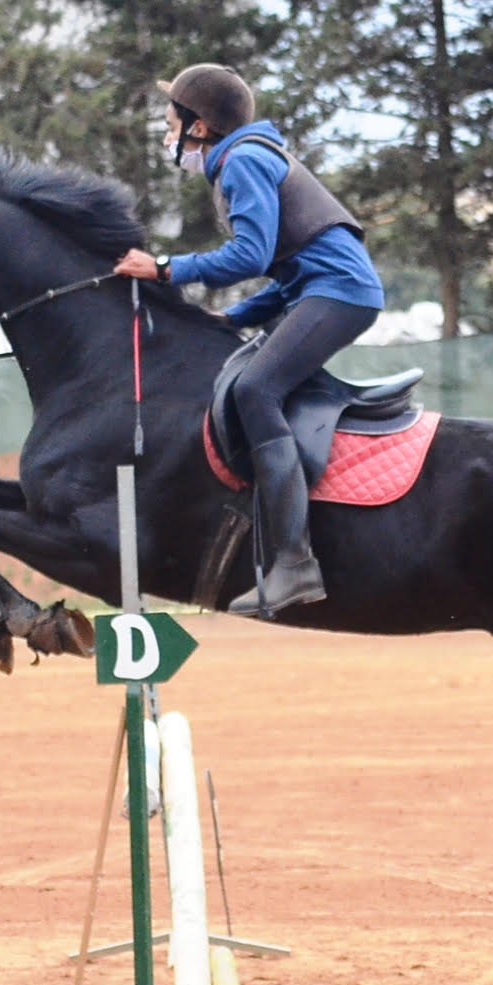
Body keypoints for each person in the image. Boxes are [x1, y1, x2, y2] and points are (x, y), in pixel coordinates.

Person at [114, 63, 385, 616]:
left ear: (200, 126)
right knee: (246, 376)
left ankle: (295, 562)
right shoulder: (246, 157)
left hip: (340, 293)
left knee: (255, 391)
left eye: (172, 123)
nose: (169, 135)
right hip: (320, 290)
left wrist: (164, 268)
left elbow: (252, 256)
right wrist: (232, 316)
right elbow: (288, 268)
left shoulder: (241, 162)